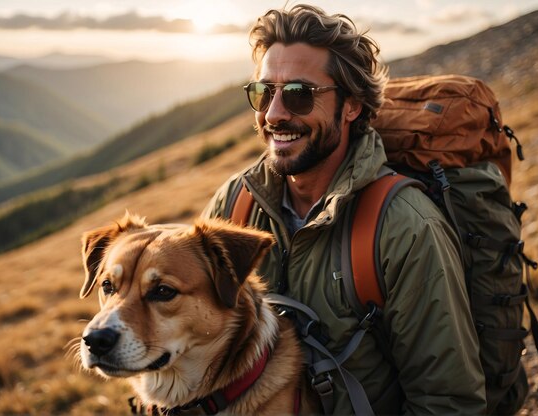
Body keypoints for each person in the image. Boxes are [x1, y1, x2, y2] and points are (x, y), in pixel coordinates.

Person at [201, 4, 487, 414]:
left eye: (299, 95)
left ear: (351, 106)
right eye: (263, 92)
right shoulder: (235, 202)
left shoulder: (405, 227)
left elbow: (447, 402)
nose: (275, 113)